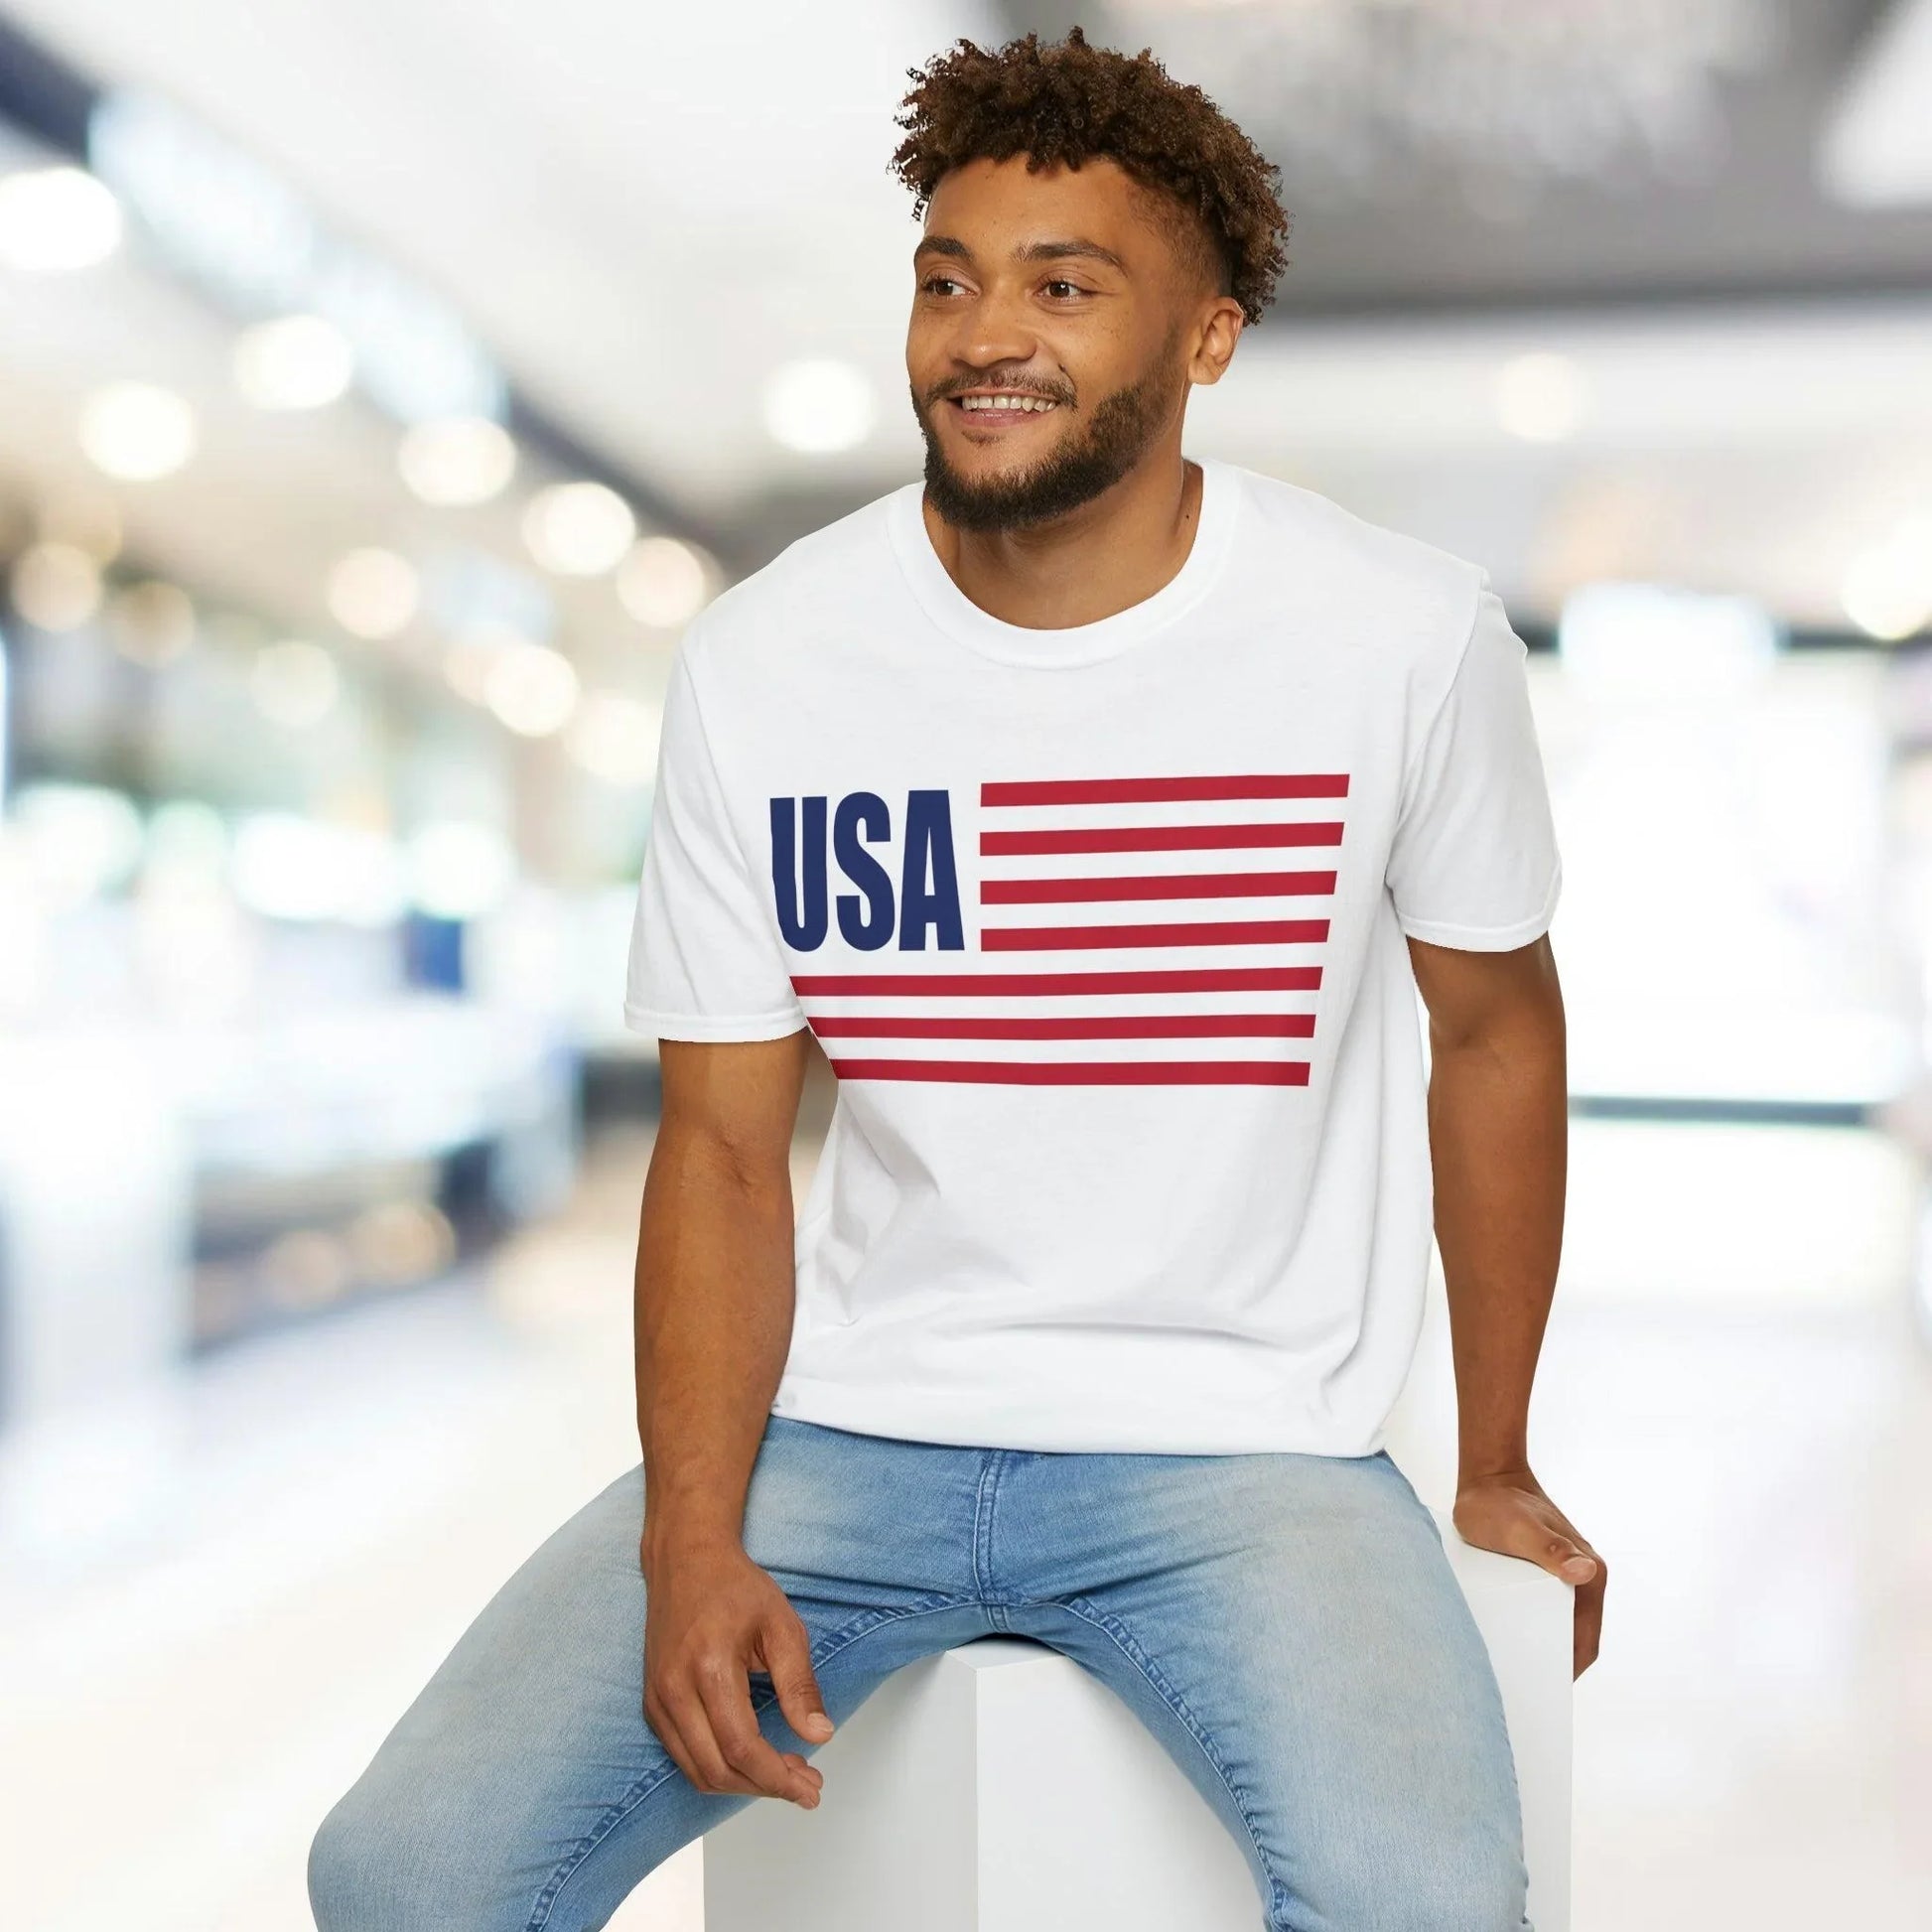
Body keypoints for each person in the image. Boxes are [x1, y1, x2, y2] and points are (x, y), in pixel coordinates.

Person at [309, 25, 1603, 1932]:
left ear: (1206, 342)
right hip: (850, 1433)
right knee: (407, 1872)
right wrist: (691, 1531)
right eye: (946, 277)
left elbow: (1495, 1038)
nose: (983, 331)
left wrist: (1491, 1459)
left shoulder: (1393, 639)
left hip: (1246, 1450)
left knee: (1426, 1906)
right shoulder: (774, 659)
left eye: (1063, 285)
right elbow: (724, 1147)